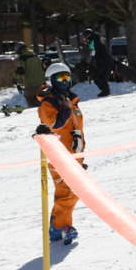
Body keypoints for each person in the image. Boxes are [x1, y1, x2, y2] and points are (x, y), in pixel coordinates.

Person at [36, 62, 86, 245]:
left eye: (67, 77)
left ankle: (56, 225)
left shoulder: (72, 100)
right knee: (67, 191)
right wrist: (64, 108)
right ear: (51, 81)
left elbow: (77, 129)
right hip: (58, 155)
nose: (64, 82)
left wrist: (80, 155)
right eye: (60, 78)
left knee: (76, 190)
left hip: (74, 154)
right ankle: (63, 226)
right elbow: (55, 125)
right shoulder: (49, 103)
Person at [81, 29, 115, 97]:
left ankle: (106, 91)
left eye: (85, 38)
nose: (85, 40)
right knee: (97, 78)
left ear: (88, 36)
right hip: (102, 62)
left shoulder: (95, 42)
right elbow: (92, 54)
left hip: (105, 62)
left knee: (100, 77)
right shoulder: (94, 42)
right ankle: (105, 90)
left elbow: (94, 54)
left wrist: (89, 61)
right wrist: (88, 62)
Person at [14, 42, 46, 108]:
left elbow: (20, 70)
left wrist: (15, 79)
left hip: (30, 85)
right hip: (41, 85)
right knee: (43, 103)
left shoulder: (22, 58)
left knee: (30, 101)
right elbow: (42, 67)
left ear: (19, 50)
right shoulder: (36, 56)